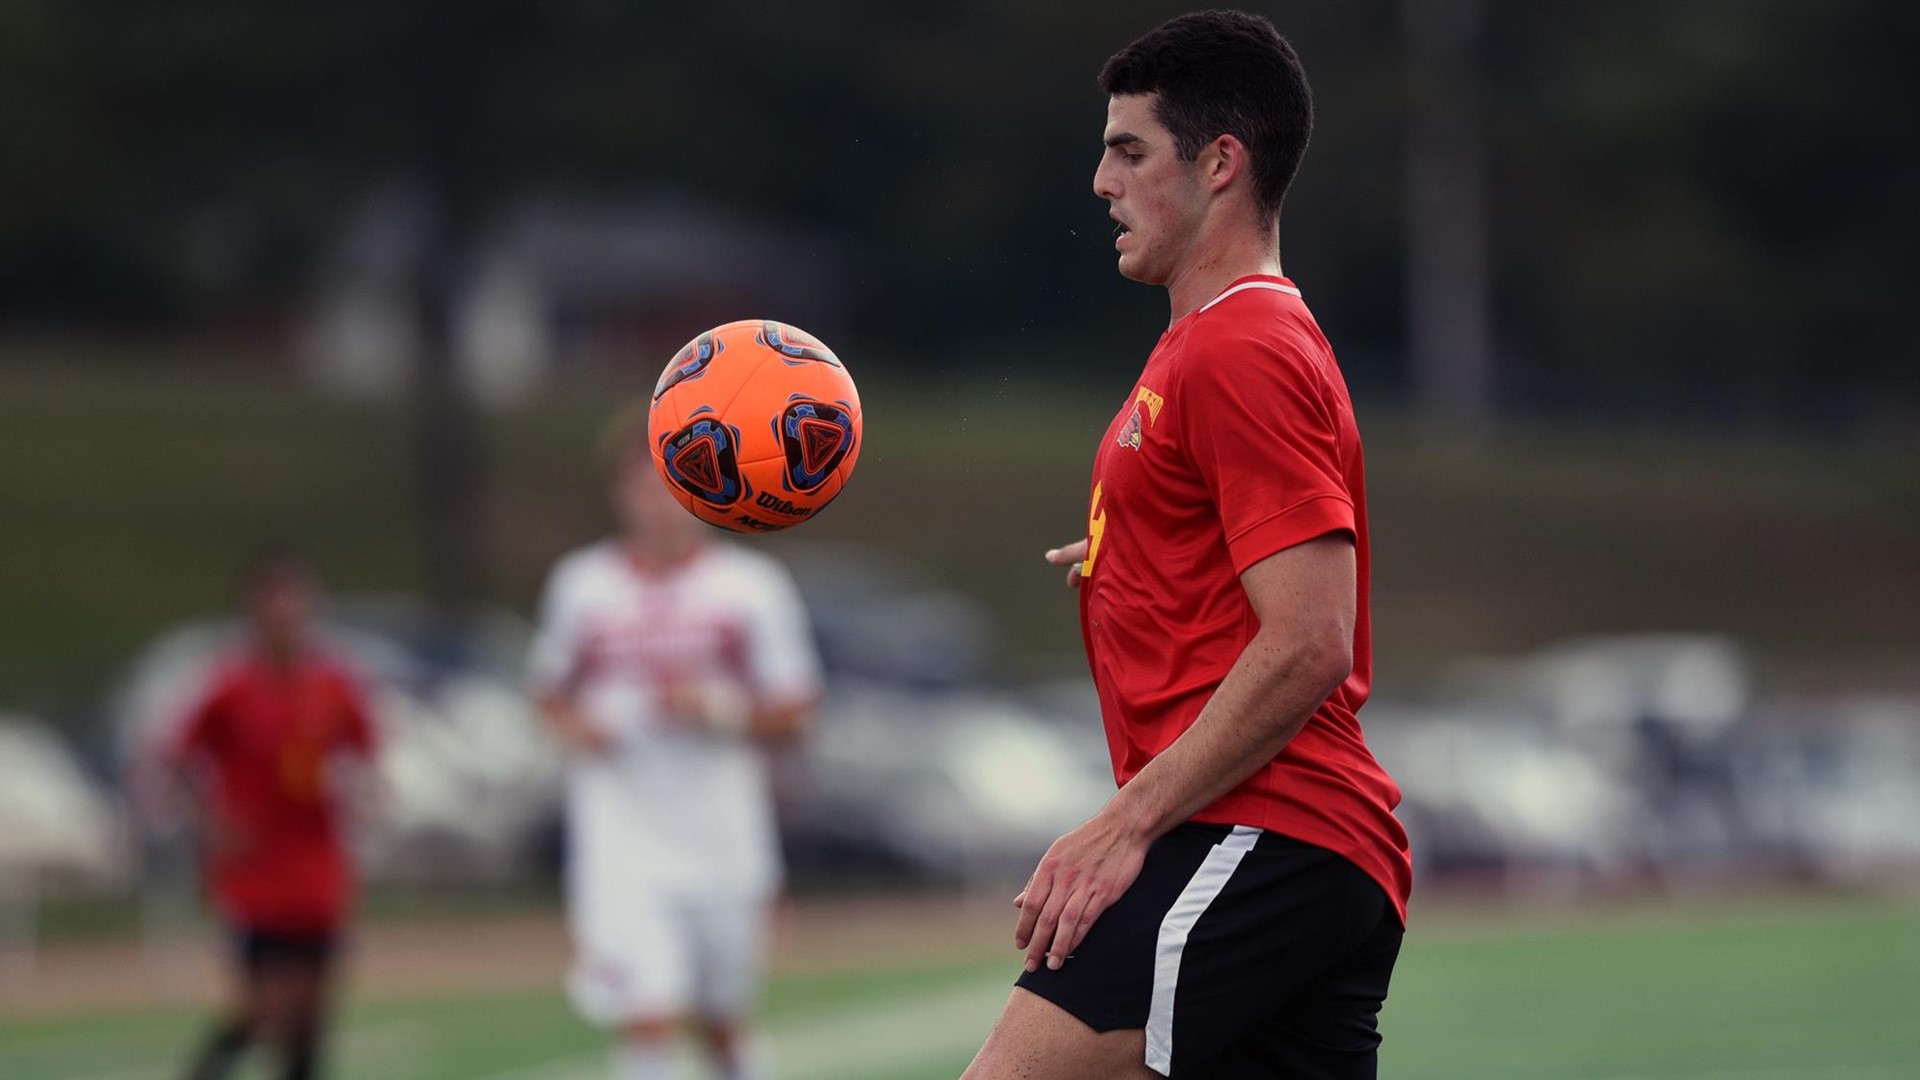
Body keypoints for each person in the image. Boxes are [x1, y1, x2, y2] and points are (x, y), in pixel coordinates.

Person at [963, 12, 1412, 1079]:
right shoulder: (1207, 347)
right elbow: (1245, 566)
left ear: (1220, 165)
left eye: (1129, 151)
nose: (1100, 182)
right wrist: (1131, 560)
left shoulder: (1241, 348)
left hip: (1263, 830)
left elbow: (1311, 641)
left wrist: (1122, 826)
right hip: (1298, 850)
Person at [527, 412, 823, 1080]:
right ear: (620, 493)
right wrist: (583, 728)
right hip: (624, 839)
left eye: (672, 485)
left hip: (722, 837)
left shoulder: (750, 588)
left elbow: (800, 710)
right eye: (644, 485)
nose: (658, 504)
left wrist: (717, 710)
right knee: (647, 1013)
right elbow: (546, 696)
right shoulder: (582, 586)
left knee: (721, 1021)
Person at [160, 550, 379, 1080]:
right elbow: (179, 757)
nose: (285, 615)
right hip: (256, 870)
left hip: (317, 864)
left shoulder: (332, 684)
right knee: (263, 1005)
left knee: (311, 1007)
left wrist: (365, 797)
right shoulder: (232, 687)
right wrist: (209, 822)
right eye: (273, 603)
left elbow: (366, 753)